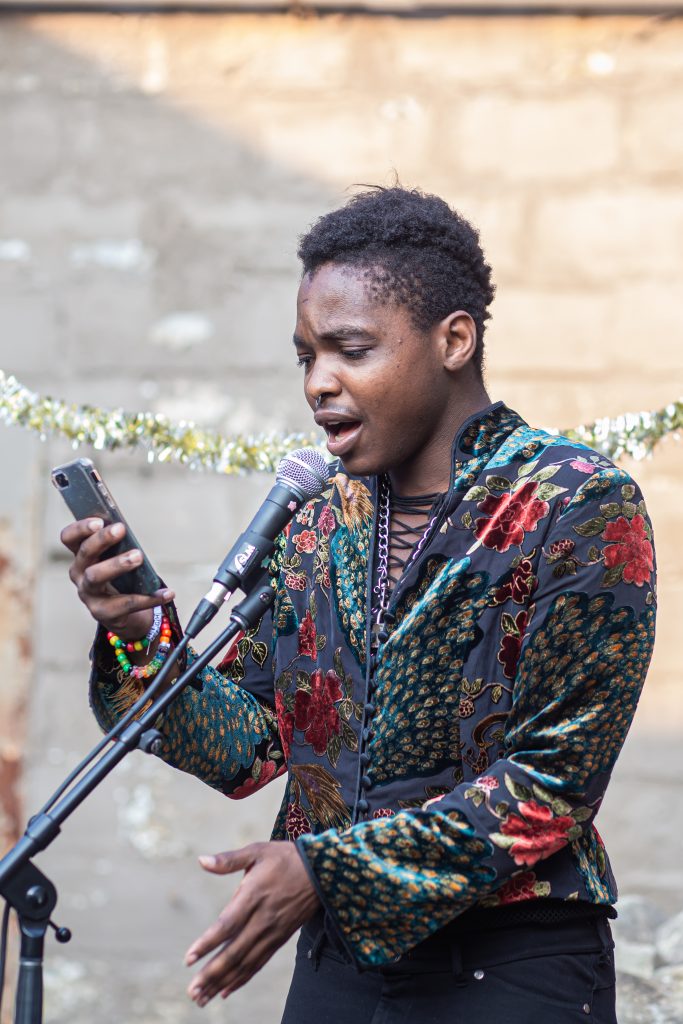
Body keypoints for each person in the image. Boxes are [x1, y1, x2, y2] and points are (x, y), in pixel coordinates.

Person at [61, 186, 656, 1023]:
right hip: (341, 960)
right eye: (305, 355)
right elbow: (251, 749)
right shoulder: (317, 518)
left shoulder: (571, 500)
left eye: (350, 349)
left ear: (454, 340)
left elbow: (554, 781)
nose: (319, 382)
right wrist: (136, 636)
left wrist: (326, 870)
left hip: (511, 958)